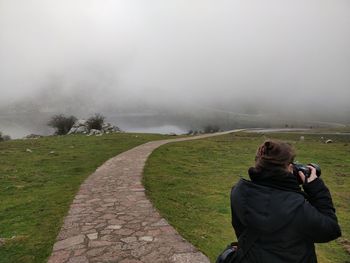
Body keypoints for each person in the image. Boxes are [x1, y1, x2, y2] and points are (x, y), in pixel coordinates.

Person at [230, 139, 341, 262]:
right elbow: (331, 229)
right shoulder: (297, 207)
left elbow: (240, 231)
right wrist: (316, 188)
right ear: (289, 168)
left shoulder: (239, 191)